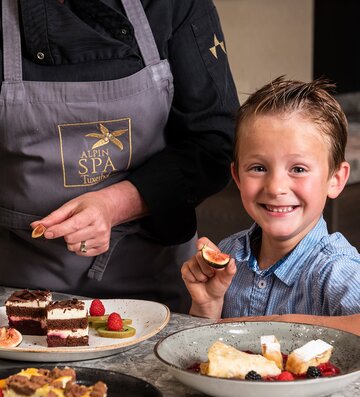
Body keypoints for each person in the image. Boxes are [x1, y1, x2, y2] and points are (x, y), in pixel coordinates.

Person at [0, 0, 239, 312]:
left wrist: (114, 204)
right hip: (16, 291)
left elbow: (215, 141)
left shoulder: (172, 5)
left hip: (153, 288)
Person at [182, 76, 360, 320]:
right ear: (237, 176)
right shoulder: (228, 252)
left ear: (335, 179)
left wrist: (279, 325)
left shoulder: (337, 271)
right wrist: (207, 305)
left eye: (298, 169)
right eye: (258, 168)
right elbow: (204, 352)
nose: (276, 188)